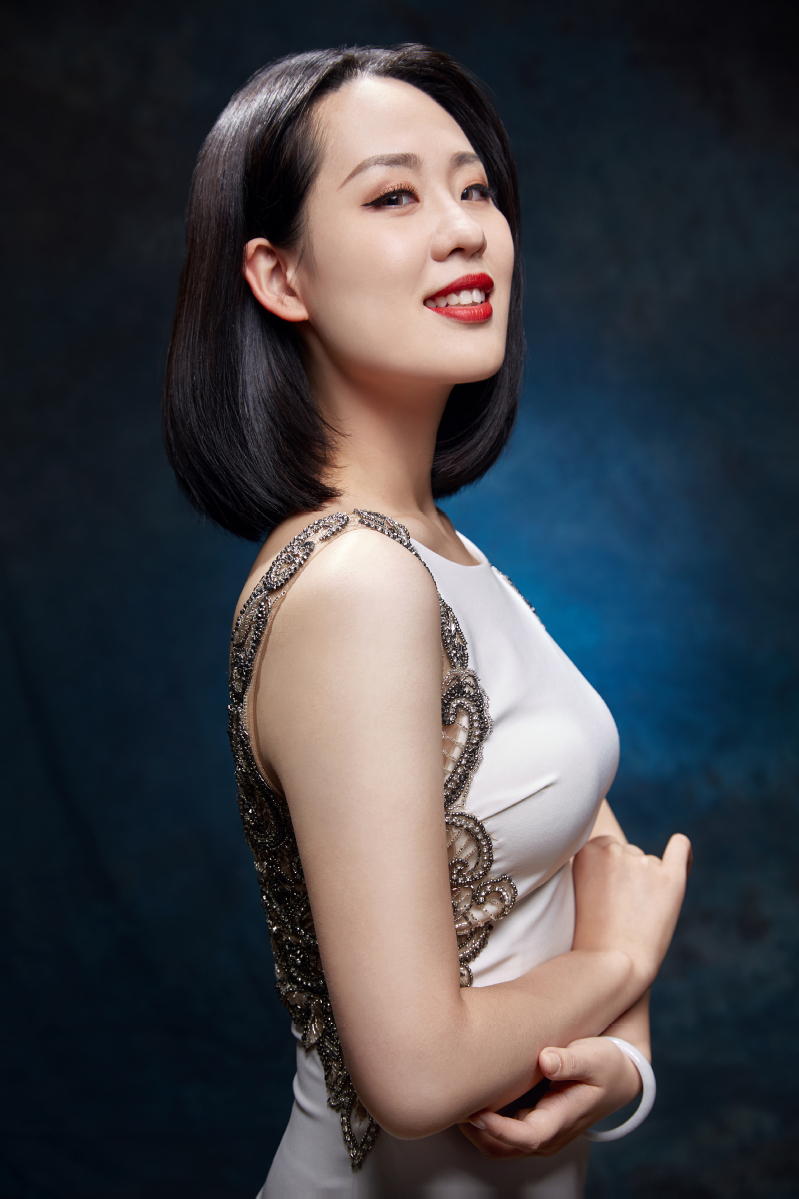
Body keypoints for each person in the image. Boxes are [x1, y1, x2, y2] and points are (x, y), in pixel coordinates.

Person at [163, 44, 691, 1199]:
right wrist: (617, 962)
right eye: (394, 195)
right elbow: (413, 1071)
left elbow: (601, 869)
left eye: (475, 188)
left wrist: (620, 1068)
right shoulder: (354, 580)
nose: (464, 231)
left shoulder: (442, 552)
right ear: (279, 275)